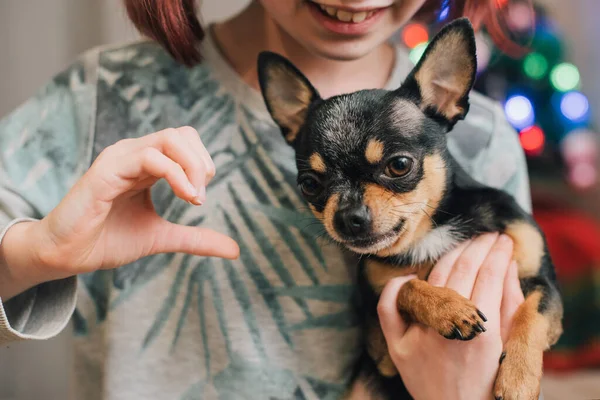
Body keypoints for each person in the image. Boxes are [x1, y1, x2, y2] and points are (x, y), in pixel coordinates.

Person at [0, 0, 533, 399]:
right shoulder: (106, 93)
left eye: (397, 168)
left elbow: (519, 353)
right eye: (316, 184)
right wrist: (39, 251)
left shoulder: (482, 140)